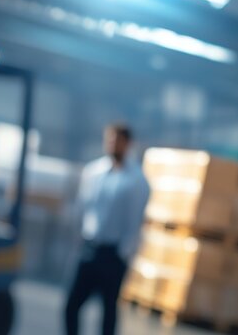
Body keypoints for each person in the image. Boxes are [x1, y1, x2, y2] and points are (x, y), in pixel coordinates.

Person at [64, 124, 150, 335]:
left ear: (127, 144)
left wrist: (123, 254)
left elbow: (134, 221)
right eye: (109, 139)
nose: (112, 144)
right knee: (71, 306)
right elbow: (82, 209)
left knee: (108, 313)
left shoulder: (137, 181)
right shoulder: (93, 173)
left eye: (117, 140)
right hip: (89, 248)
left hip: (113, 255)